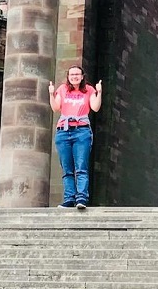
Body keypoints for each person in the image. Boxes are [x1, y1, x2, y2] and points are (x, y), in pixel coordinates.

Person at [49, 65, 102, 209]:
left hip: (81, 131)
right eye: (72, 74)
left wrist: (99, 92)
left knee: (81, 168)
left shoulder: (89, 90)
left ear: (82, 76)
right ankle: (69, 199)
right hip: (63, 131)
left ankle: (81, 198)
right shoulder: (62, 89)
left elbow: (95, 107)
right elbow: (55, 108)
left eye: (77, 74)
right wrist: (51, 94)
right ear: (68, 76)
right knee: (67, 169)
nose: (74, 77)